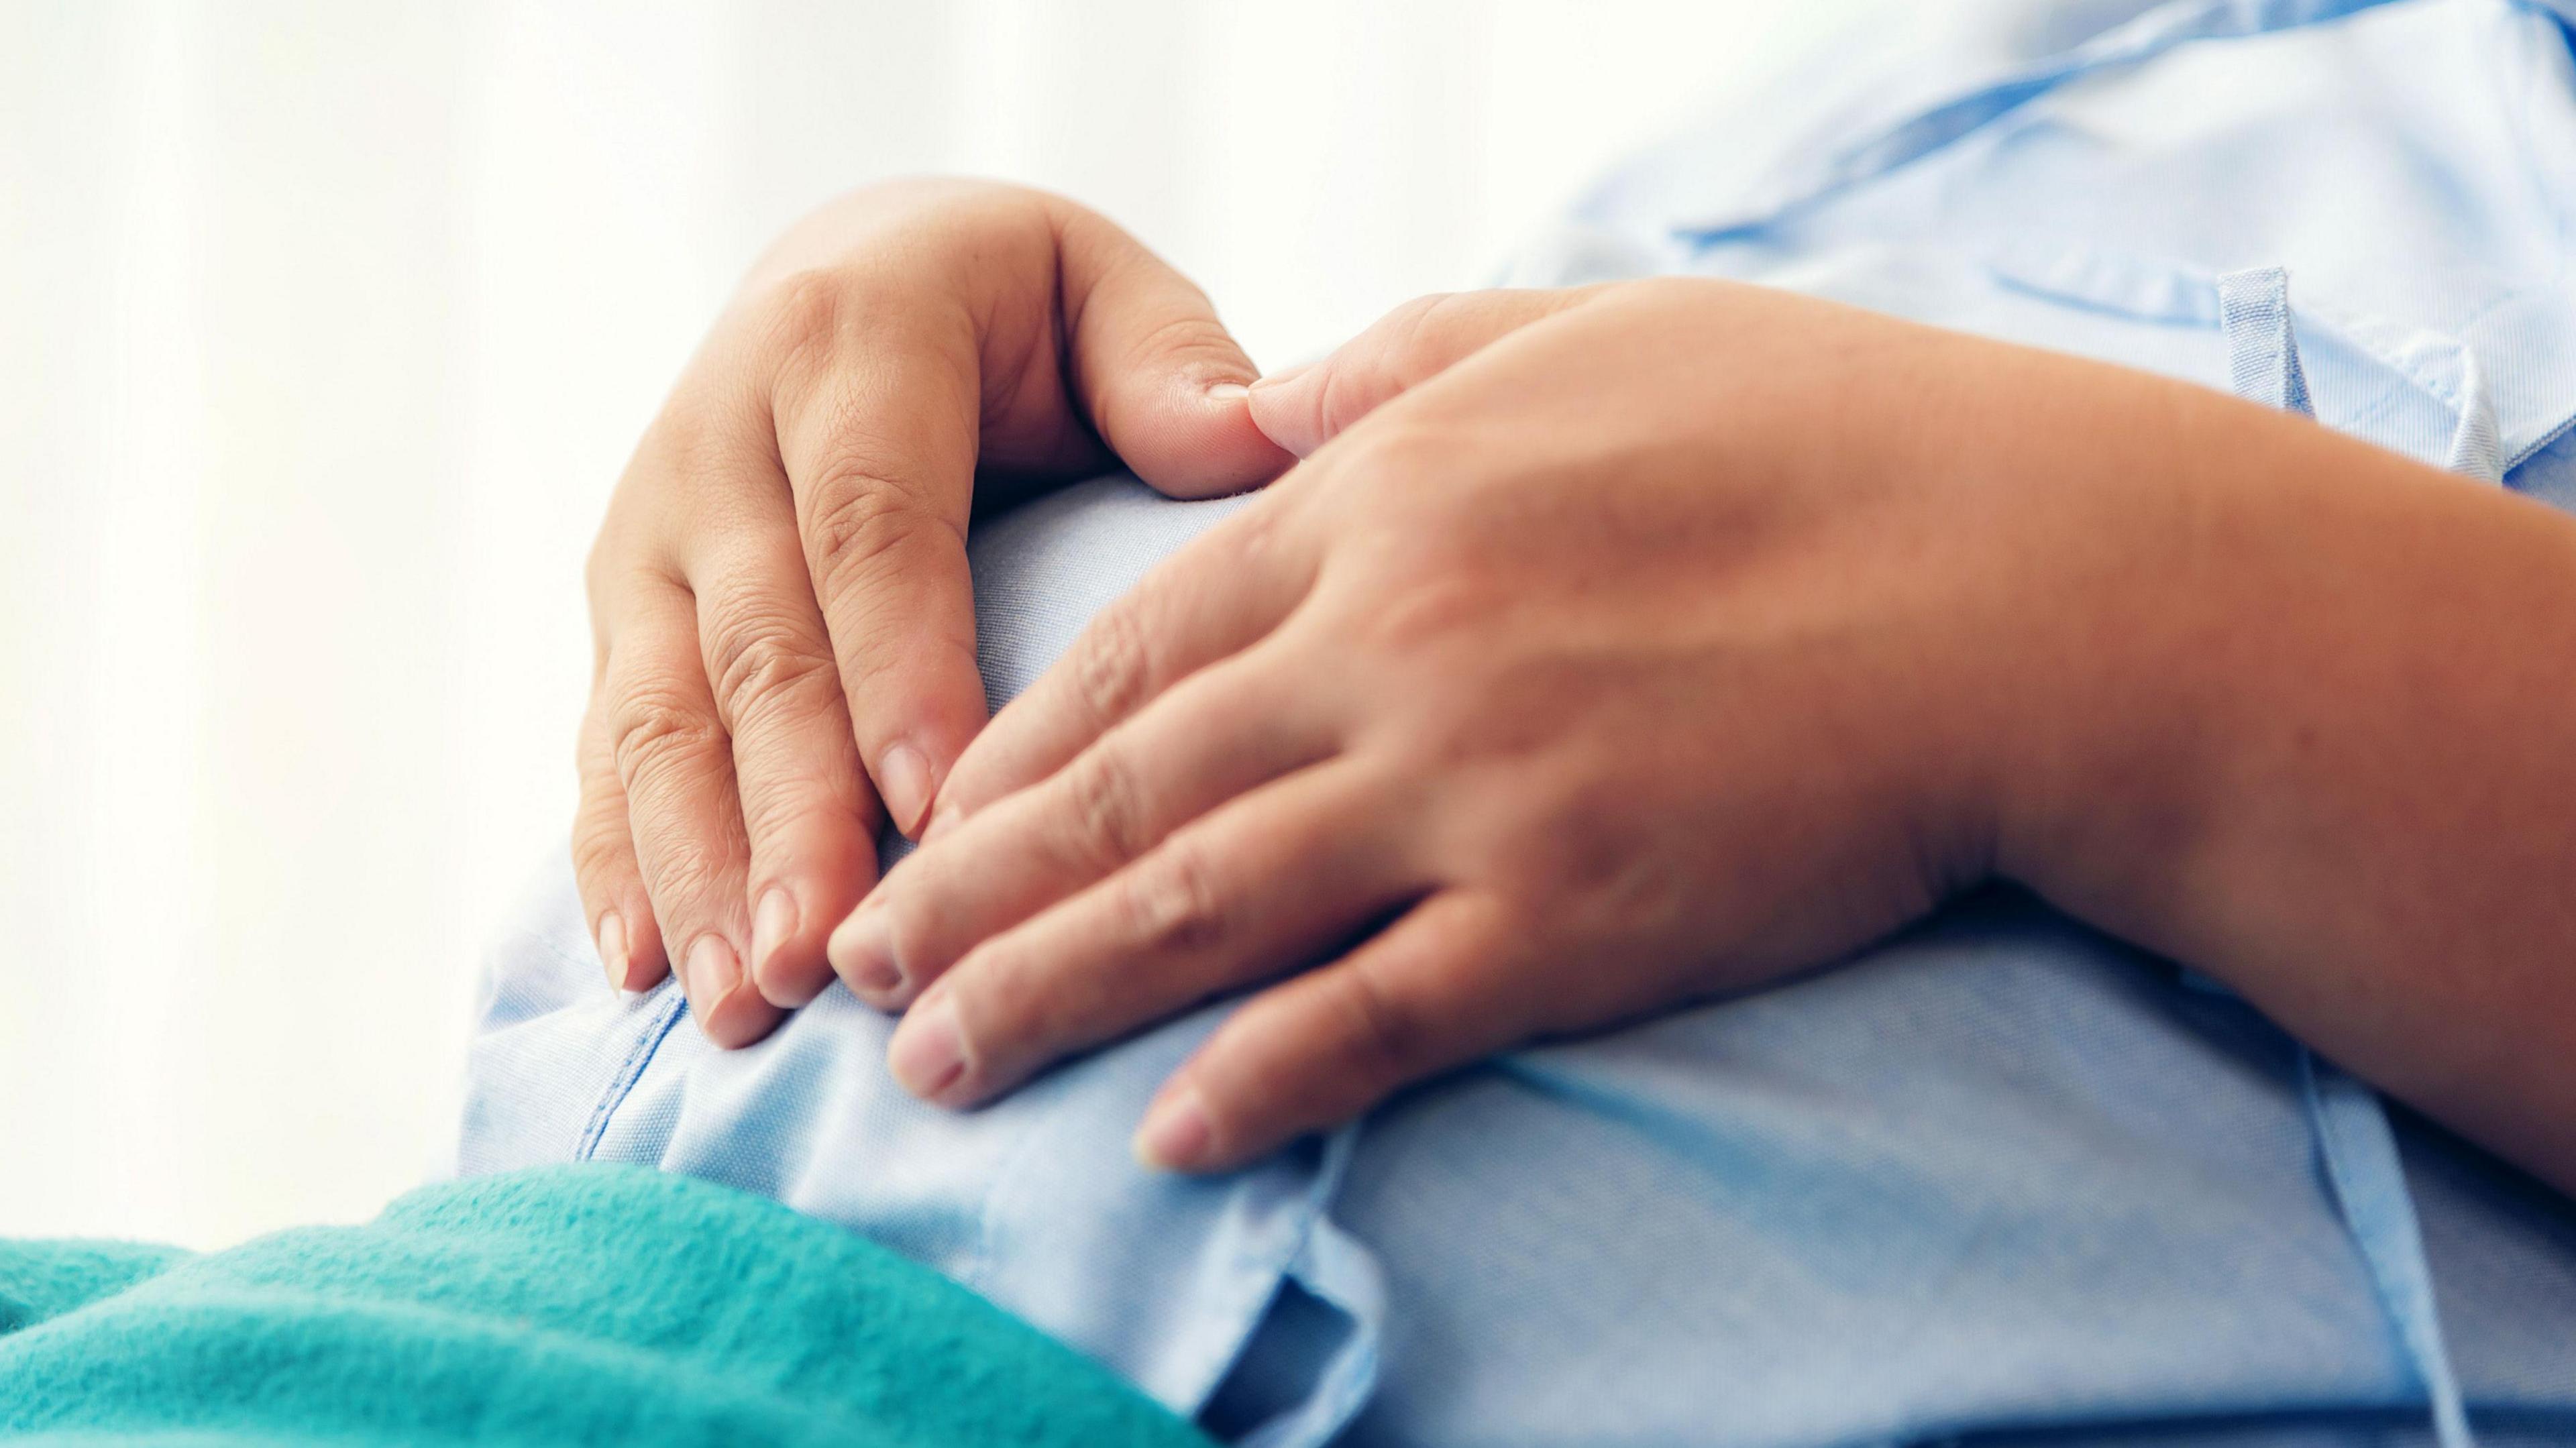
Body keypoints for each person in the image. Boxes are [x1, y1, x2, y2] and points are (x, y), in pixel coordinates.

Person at [473, 1, 2576, 1445]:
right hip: (467, 1297)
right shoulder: (1945, 87)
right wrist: (1034, 443)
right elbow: (1553, 648)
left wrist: (2083, 594)